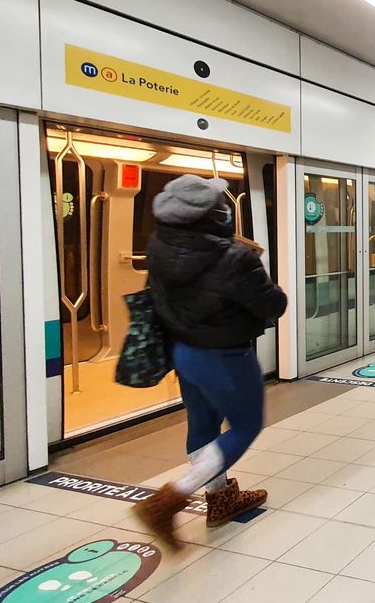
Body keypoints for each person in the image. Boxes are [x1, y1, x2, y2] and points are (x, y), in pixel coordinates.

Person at [132, 174, 288, 548]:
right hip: (226, 356)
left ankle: (221, 500)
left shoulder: (158, 245)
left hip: (183, 352)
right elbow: (274, 305)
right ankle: (170, 498)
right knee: (246, 425)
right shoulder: (236, 258)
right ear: (211, 215)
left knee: (202, 424)